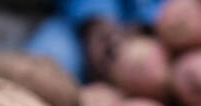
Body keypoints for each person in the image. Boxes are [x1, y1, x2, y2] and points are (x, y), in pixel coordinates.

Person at [25, 0, 165, 80]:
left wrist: (147, 23)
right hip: (79, 18)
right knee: (42, 68)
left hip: (160, 31)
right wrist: (95, 20)